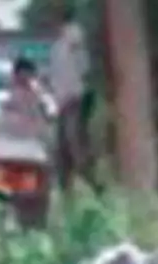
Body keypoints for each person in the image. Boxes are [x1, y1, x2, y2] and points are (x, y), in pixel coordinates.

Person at [48, 8, 92, 186]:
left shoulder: (69, 42)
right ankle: (71, 179)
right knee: (66, 140)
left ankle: (80, 177)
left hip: (70, 96)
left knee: (70, 138)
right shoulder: (61, 44)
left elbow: (81, 68)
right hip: (67, 96)